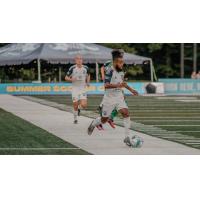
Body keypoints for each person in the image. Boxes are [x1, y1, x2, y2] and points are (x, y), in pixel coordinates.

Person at [87, 49, 139, 147]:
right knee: (104, 120)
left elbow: (122, 83)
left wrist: (131, 90)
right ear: (115, 62)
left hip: (119, 97)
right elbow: (106, 85)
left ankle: (127, 137)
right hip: (109, 98)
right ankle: (93, 123)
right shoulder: (110, 70)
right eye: (120, 62)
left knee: (126, 113)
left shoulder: (121, 72)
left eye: (123, 62)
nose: (122, 64)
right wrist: (117, 85)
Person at [65, 55, 90, 124]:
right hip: (75, 89)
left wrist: (88, 82)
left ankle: (79, 108)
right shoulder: (72, 68)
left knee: (84, 105)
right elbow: (66, 78)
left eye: (80, 59)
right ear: (75, 60)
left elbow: (88, 75)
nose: (79, 60)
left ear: (82, 60)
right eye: (78, 59)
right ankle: (75, 118)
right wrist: (71, 79)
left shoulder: (86, 68)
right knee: (75, 105)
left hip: (82, 88)